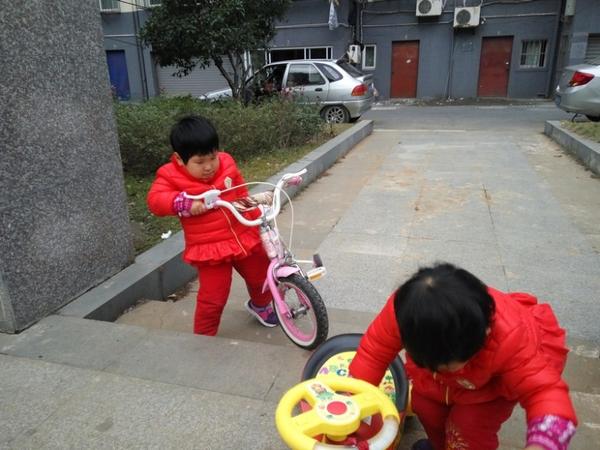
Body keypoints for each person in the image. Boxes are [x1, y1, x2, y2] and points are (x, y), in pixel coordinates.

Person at [348, 263, 577, 450]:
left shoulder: (513, 337)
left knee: (468, 431)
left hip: (487, 391)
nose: (442, 369)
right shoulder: (405, 311)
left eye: (448, 365)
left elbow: (545, 392)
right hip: (431, 383)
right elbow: (373, 352)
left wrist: (544, 443)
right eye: (433, 364)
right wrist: (351, 400)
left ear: (485, 333)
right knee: (426, 410)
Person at [147, 115, 277, 336]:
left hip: (242, 233)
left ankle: (261, 305)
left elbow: (240, 192)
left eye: (212, 158)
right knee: (214, 296)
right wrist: (183, 203)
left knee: (262, 275)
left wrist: (256, 218)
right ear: (179, 159)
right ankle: (204, 335)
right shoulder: (170, 176)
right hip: (210, 248)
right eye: (199, 162)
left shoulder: (226, 163)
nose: (208, 167)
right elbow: (155, 200)